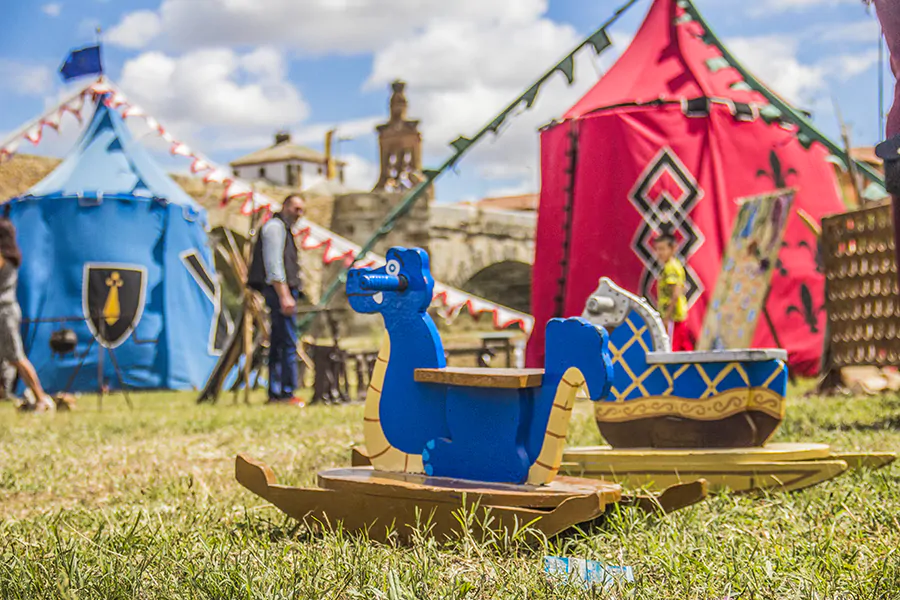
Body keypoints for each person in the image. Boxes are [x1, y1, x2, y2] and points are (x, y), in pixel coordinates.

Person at [247, 194, 306, 405]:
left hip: (283, 291)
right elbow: (274, 265)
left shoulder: (284, 229)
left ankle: (277, 391)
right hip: (280, 292)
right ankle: (285, 392)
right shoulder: (274, 227)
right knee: (286, 342)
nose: (299, 214)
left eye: (301, 210)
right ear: (285, 206)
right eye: (296, 208)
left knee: (280, 341)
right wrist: (284, 295)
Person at [0, 218, 55, 412]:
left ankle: (41, 398)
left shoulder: (4, 258)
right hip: (4, 312)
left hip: (4, 312)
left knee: (16, 356)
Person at [653, 231, 694, 352]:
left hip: (673, 317)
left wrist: (667, 317)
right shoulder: (674, 266)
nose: (659, 253)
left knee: (672, 349)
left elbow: (675, 293)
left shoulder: (670, 267)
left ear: (673, 249)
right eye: (657, 249)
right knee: (684, 346)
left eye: (663, 249)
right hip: (676, 315)